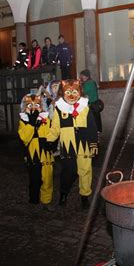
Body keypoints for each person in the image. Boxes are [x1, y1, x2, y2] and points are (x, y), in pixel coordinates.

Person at [47, 79, 98, 209]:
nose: (71, 95)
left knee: (85, 171)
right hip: (68, 145)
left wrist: (93, 144)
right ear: (62, 93)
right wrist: (47, 141)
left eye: (74, 92)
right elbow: (55, 128)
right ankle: (63, 194)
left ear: (79, 92)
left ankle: (84, 196)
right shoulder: (59, 109)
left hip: (84, 144)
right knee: (68, 171)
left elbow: (92, 127)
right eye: (68, 92)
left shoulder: (85, 108)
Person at [18, 94, 54, 211]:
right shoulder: (23, 120)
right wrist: (31, 123)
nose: (34, 107)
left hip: (45, 151)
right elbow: (24, 138)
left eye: (37, 105)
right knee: (35, 179)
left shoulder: (45, 118)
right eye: (30, 105)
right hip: (32, 151)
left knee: (47, 178)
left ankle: (46, 201)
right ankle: (34, 201)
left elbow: (49, 133)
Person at [80, 69, 102, 133]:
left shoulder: (88, 83)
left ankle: (95, 136)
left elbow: (83, 93)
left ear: (86, 76)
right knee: (96, 120)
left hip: (92, 105)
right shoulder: (91, 82)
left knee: (93, 121)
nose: (81, 77)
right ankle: (97, 134)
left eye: (82, 76)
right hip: (95, 104)